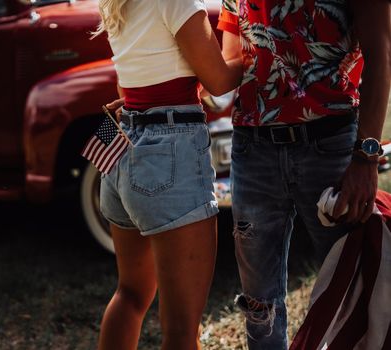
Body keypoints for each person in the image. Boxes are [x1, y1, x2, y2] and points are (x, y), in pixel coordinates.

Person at [216, 0, 391, 348]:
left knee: (350, 291)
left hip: (332, 146)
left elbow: (380, 55)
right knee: (259, 303)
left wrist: (366, 158)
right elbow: (231, 64)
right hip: (254, 149)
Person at [91, 0, 242, 348]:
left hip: (118, 142)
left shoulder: (114, 3)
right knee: (181, 330)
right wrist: (255, 58)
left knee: (129, 294)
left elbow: (127, 84)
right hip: (168, 151)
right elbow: (219, 81)